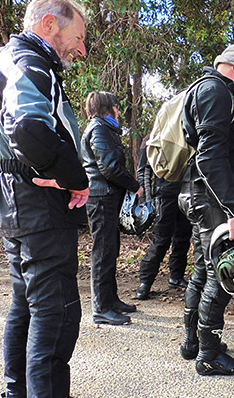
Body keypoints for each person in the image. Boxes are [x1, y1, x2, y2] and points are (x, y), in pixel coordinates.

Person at [0, 0, 89, 398]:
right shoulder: (31, 61)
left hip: (8, 198)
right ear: (48, 25)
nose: (82, 48)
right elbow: (26, 128)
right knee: (55, 314)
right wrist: (73, 177)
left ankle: (15, 392)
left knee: (25, 305)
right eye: (78, 36)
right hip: (35, 200)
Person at [178, 44, 234, 376]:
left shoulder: (201, 88)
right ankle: (209, 354)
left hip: (195, 191)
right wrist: (233, 210)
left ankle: (193, 342)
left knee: (202, 268)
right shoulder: (217, 93)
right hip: (210, 195)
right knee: (221, 273)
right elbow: (210, 157)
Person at [81, 91, 144, 325]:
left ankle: (111, 300)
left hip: (106, 198)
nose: (119, 111)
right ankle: (101, 308)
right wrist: (134, 186)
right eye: (117, 107)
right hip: (101, 198)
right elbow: (109, 168)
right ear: (108, 108)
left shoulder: (103, 129)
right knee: (103, 253)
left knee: (110, 250)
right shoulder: (99, 129)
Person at [135, 138, 192, 300]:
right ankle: (145, 282)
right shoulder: (152, 138)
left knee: (183, 237)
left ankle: (176, 277)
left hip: (186, 193)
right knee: (161, 239)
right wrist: (146, 199)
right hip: (164, 194)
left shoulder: (187, 135)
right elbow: (144, 171)